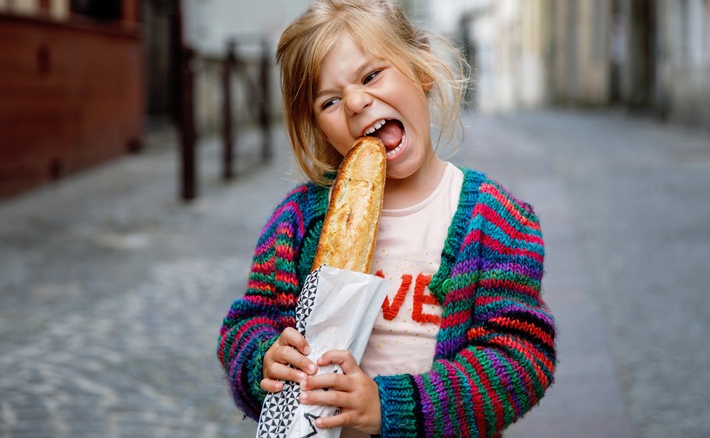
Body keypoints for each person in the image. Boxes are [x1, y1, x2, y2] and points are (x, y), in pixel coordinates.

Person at [217, 0, 556, 436]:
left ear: (422, 70)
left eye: (371, 75)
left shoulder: (496, 220)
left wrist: (391, 406)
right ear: (319, 128)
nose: (357, 101)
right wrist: (263, 360)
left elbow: (521, 358)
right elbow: (246, 325)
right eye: (330, 101)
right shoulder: (296, 223)